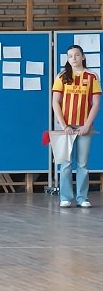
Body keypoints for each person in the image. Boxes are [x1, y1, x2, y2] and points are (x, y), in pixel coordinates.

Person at [52, 44, 101, 208]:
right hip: (66, 126)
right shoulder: (62, 76)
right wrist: (64, 125)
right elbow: (55, 102)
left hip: (84, 127)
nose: (73, 58)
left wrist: (87, 125)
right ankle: (65, 197)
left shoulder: (92, 76)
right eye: (70, 56)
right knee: (66, 163)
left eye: (77, 55)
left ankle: (82, 198)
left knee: (82, 164)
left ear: (83, 57)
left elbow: (96, 103)